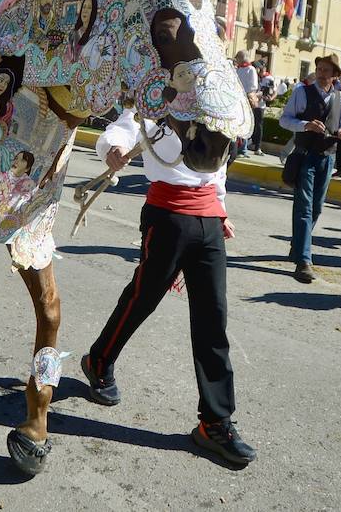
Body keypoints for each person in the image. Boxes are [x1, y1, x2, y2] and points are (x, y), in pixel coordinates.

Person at [80, 108, 256, 466]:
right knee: (142, 300)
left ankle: (215, 422)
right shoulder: (157, 99)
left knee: (212, 318)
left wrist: (219, 209)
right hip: (167, 215)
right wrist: (112, 149)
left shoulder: (212, 104)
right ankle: (99, 361)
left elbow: (218, 164)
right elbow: (121, 131)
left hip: (206, 217)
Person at [279, 54, 341, 284]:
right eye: (319, 69)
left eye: (326, 70)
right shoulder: (301, 92)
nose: (321, 73)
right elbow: (284, 120)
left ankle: (298, 245)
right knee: (304, 207)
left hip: (327, 158)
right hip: (305, 156)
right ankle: (303, 261)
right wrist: (305, 125)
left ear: (335, 75)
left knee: (317, 207)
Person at [233, 52, 259, 157]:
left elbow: (253, 86)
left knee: (244, 123)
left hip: (245, 100)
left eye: (237, 57)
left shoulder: (250, 69)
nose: (236, 59)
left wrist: (246, 95)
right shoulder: (238, 69)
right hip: (237, 100)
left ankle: (243, 149)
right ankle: (238, 146)